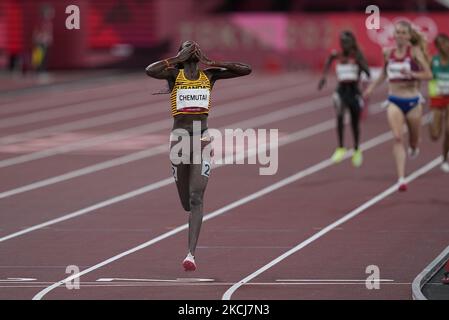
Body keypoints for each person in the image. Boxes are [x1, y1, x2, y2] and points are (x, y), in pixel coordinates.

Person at [145, 41, 251, 271]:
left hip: (202, 139)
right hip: (179, 141)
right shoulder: (174, 74)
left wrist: (213, 62)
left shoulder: (209, 76)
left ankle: (190, 255)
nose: (191, 49)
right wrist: (176, 59)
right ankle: (190, 212)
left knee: (196, 198)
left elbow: (245, 69)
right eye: (187, 47)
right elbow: (150, 70)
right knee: (186, 201)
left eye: (194, 47)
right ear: (181, 53)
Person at [364, 21, 432, 191]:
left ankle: (414, 146)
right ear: (393, 35)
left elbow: (429, 74)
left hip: (413, 102)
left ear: (409, 36)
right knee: (397, 137)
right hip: (394, 100)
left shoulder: (414, 52)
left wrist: (413, 74)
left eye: (403, 32)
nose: (400, 35)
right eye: (398, 32)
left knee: (414, 141)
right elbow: (383, 74)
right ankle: (401, 178)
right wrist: (371, 88)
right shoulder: (388, 53)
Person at [318, 30, 370, 167]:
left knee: (354, 122)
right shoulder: (337, 55)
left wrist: (360, 63)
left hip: (354, 91)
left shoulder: (357, 55)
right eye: (342, 42)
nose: (344, 44)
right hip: (341, 91)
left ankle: (357, 149)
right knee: (339, 117)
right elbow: (329, 60)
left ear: (352, 42)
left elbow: (368, 73)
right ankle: (340, 148)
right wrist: (323, 77)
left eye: (346, 42)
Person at [428, 33, 449, 172]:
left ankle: (445, 159)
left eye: (446, 42)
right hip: (436, 97)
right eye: (441, 43)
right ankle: (431, 121)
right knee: (435, 135)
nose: (444, 46)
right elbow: (427, 76)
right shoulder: (433, 60)